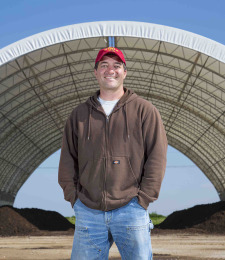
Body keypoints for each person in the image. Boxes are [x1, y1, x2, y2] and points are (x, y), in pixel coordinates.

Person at [58, 47, 168, 260]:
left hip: (131, 209)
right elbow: (67, 159)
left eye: (116, 66)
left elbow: (157, 156)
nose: (111, 70)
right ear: (95, 72)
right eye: (104, 65)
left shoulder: (145, 111)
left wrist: (143, 199)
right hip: (89, 211)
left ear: (124, 72)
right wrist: (75, 199)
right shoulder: (79, 115)